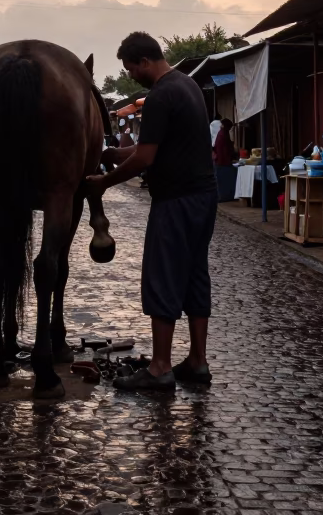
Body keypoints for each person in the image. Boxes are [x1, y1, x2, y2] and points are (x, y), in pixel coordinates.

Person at [87, 31, 217, 391]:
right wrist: (114, 155)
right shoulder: (187, 86)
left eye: (131, 69)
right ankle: (197, 361)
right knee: (194, 274)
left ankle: (160, 367)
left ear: (144, 61)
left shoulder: (160, 96)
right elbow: (154, 146)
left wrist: (104, 182)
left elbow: (146, 158)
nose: (132, 76)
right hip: (203, 197)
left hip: (175, 199)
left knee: (162, 274)